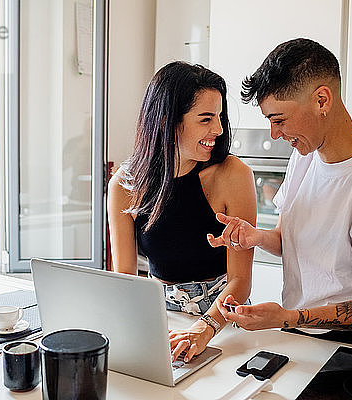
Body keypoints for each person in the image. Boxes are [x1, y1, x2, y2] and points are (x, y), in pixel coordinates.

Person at [209, 38, 352, 348]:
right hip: (299, 335)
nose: (275, 134)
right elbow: (289, 238)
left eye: (279, 120)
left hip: (346, 349)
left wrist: (286, 318)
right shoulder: (304, 157)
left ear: (321, 100)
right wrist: (257, 237)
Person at [107, 61, 257, 362]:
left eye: (219, 117)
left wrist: (205, 328)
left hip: (223, 319)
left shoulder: (233, 175)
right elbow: (125, 278)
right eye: (205, 119)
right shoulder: (124, 185)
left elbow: (240, 281)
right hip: (160, 319)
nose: (218, 129)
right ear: (166, 121)